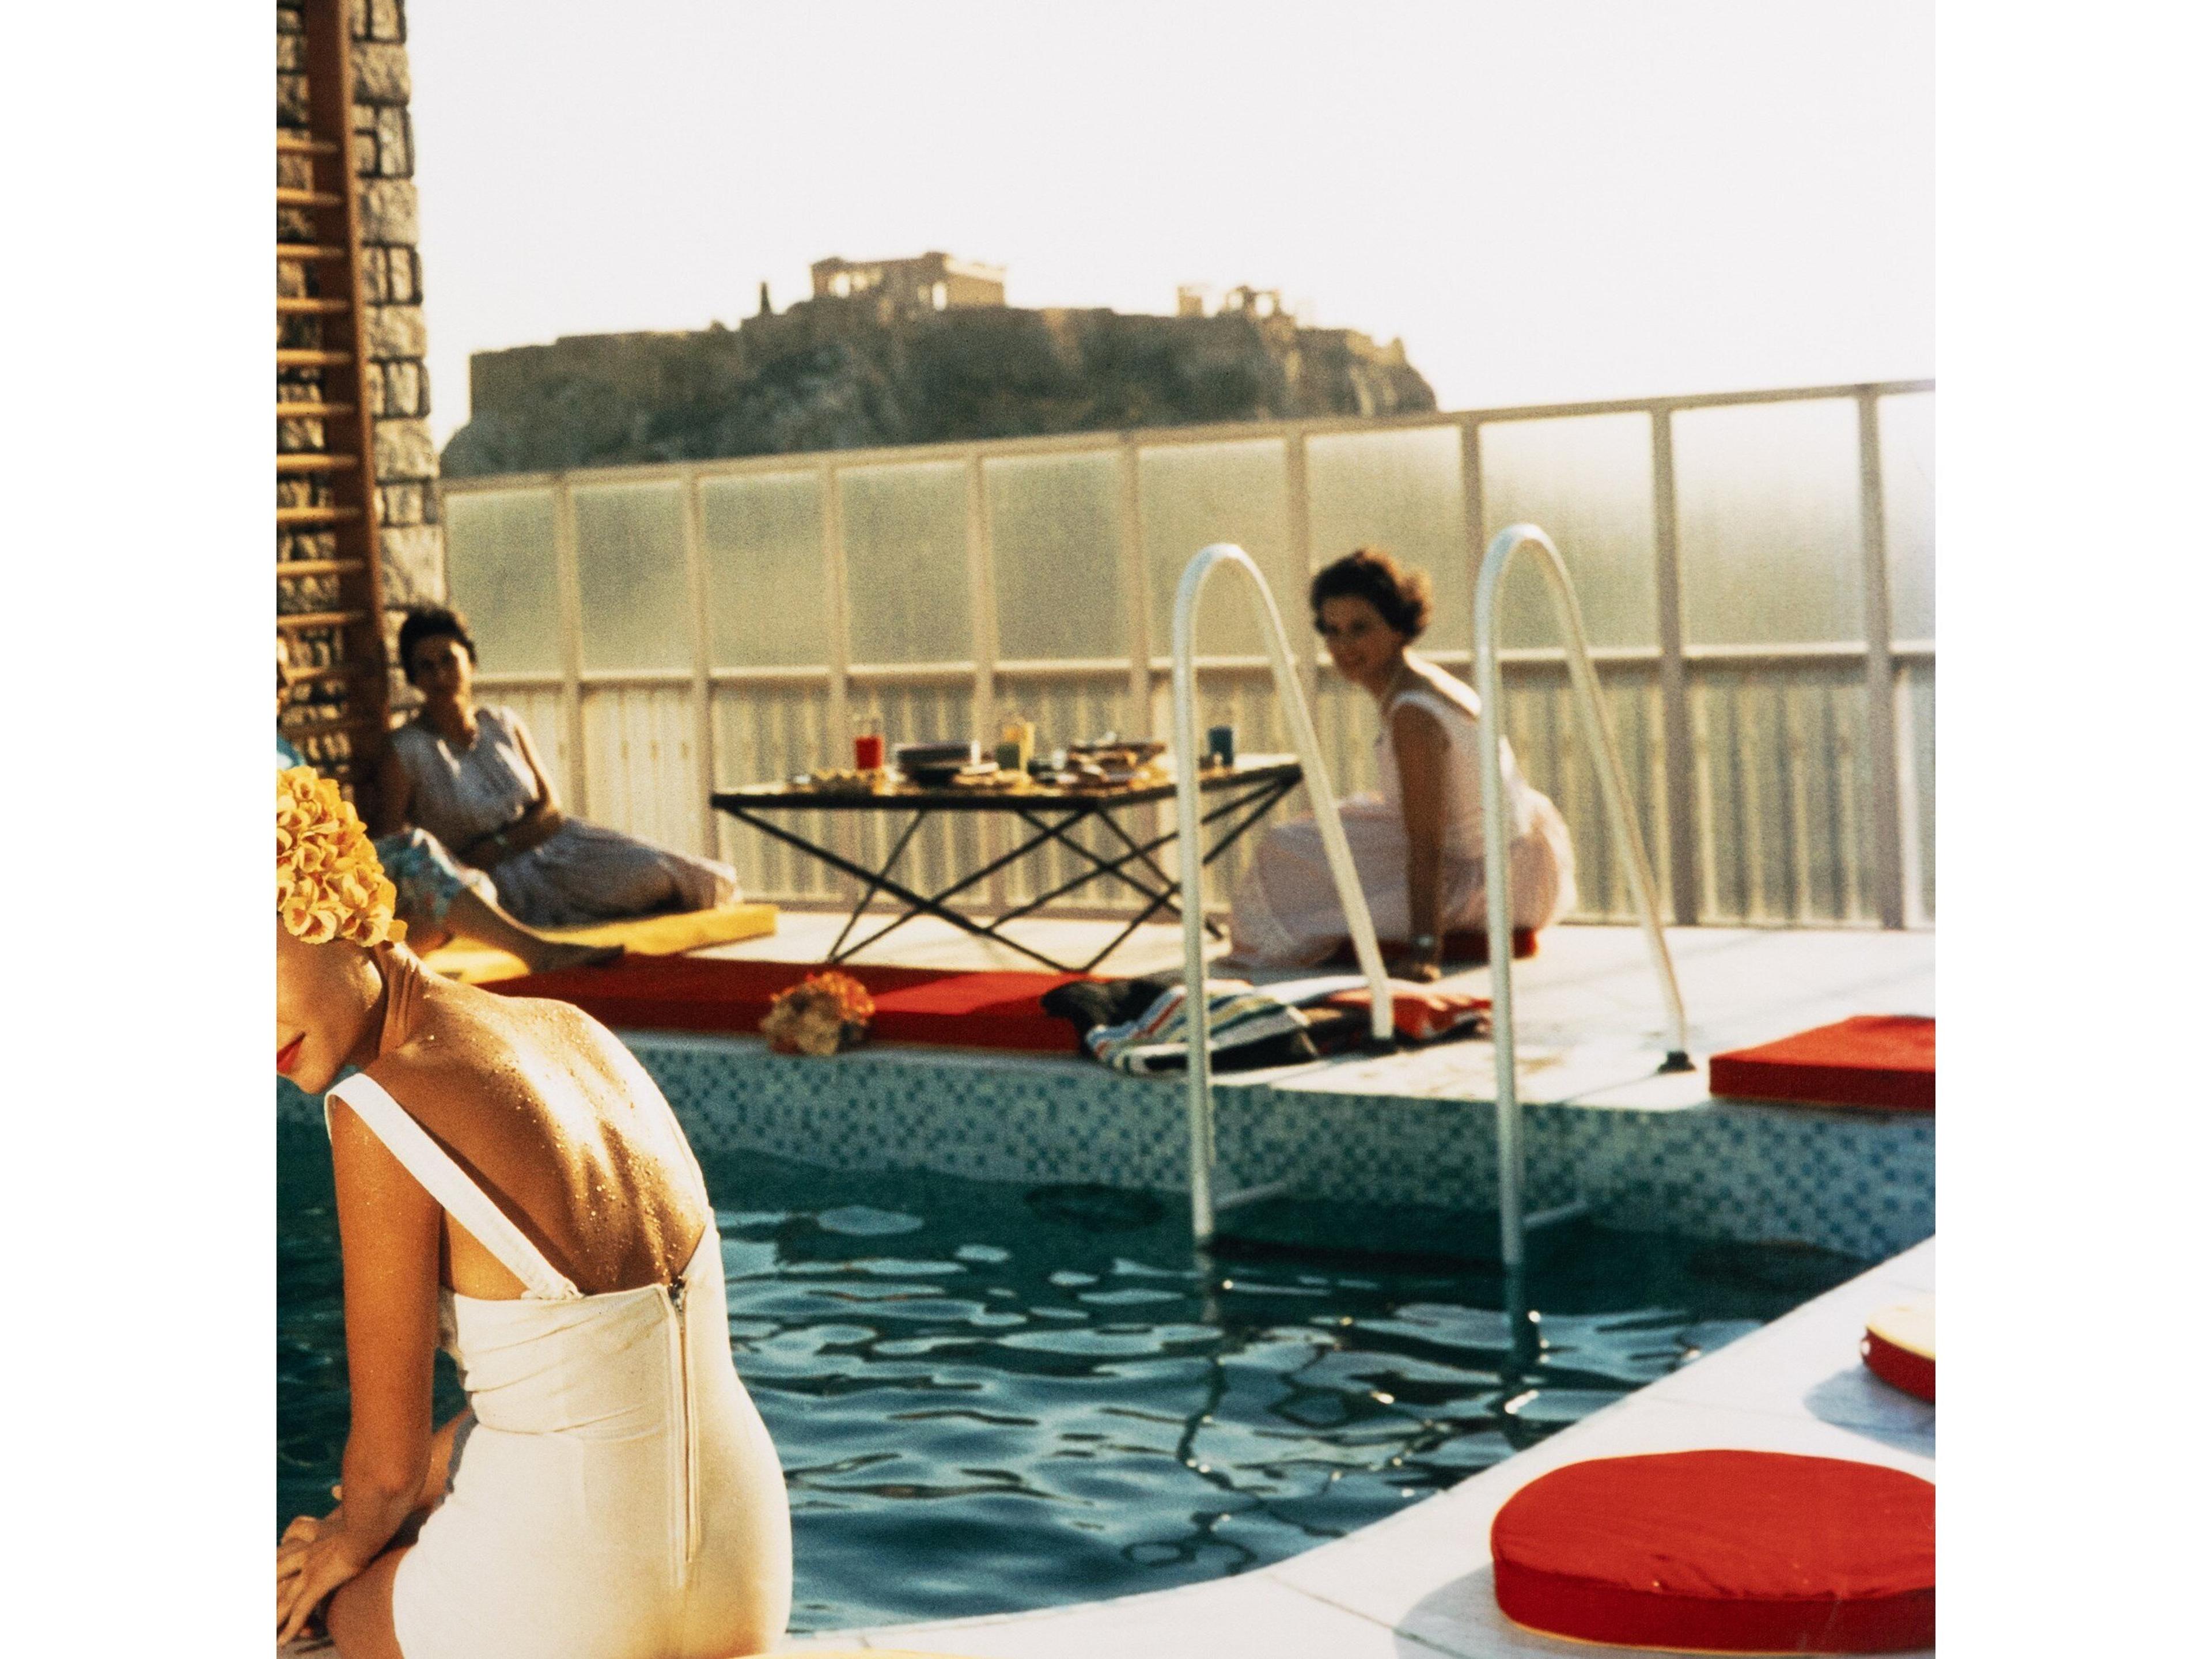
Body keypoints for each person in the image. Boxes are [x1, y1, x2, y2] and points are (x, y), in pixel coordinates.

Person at [274, 767, 791, 1656]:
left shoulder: (379, 1111)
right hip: (746, 1567)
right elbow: (586, 1376)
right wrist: (362, 1522)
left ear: (330, 902)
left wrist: (336, 1550)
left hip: (567, 1593)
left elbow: (386, 1471)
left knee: (290, 1613)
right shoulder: (576, 1034)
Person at [1226, 547, 1577, 983]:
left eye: (1360, 629)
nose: (1344, 647)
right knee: (1309, 834)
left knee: (1289, 852)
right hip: (1514, 853)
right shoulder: (1414, 681)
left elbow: (1427, 843)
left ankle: (1438, 933)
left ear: (1397, 627)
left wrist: (1425, 950)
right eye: (1333, 632)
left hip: (1495, 880)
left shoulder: (1413, 711)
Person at [376, 607, 738, 929]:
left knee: (667, 873)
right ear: (412, 678)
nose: (439, 675)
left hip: (559, 847)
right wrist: (466, 866)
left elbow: (551, 810)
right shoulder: (406, 750)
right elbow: (394, 848)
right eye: (426, 666)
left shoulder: (503, 723)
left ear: (470, 663)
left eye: (448, 661)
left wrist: (502, 844)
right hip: (483, 875)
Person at [278, 637, 619, 975]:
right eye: (270, 670)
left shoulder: (281, 747)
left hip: (316, 874)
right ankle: (537, 952)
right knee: (417, 854)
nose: (284, 681)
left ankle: (375, 974)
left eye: (285, 668)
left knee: (464, 894)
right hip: (286, 888)